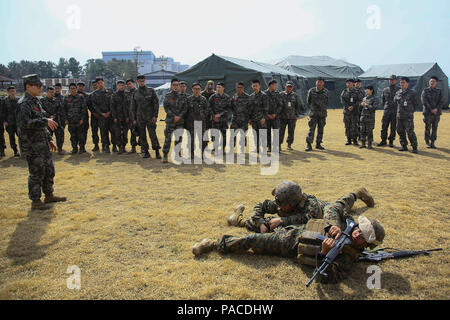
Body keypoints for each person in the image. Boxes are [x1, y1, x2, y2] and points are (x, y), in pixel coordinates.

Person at [193, 215, 385, 285]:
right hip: (299, 228)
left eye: (363, 236)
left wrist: (325, 253)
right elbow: (332, 211)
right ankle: (239, 220)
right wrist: (332, 226)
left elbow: (323, 278)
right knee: (266, 222)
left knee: (253, 240)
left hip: (289, 242)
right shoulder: (348, 226)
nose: (358, 234)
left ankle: (214, 244)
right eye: (360, 230)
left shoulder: (348, 258)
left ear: (367, 245)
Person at [227, 180, 375, 234]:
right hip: (297, 222)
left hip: (327, 213)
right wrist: (260, 223)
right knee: (267, 225)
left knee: (342, 203)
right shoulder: (282, 202)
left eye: (283, 205)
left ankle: (358, 193)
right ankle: (237, 219)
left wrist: (282, 221)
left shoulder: (311, 207)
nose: (279, 207)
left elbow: (306, 219)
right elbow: (260, 206)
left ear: (293, 203)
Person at [16, 74, 67, 210]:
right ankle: (36, 201)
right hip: (32, 146)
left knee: (49, 169)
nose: (41, 88)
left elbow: (41, 123)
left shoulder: (36, 101)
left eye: (41, 85)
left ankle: (49, 194)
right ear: (28, 86)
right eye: (37, 86)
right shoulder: (23, 103)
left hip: (42, 143)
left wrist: (49, 139)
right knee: (36, 172)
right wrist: (45, 121)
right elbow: (24, 124)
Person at [130, 75, 161, 159]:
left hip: (150, 117)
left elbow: (156, 104)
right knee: (142, 135)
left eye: (143, 80)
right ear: (137, 81)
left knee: (153, 135)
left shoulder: (151, 91)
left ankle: (157, 151)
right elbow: (133, 108)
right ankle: (146, 152)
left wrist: (155, 115)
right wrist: (134, 119)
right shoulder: (135, 93)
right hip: (140, 118)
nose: (141, 82)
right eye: (140, 80)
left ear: (145, 80)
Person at [162, 78, 188, 163]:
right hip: (170, 121)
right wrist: (173, 116)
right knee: (168, 139)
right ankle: (165, 155)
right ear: (171, 85)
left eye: (177, 85)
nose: (176, 87)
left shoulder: (183, 96)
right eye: (174, 85)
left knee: (179, 139)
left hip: (180, 122)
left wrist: (179, 116)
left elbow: (185, 108)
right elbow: (166, 108)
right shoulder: (168, 96)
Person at [394, 77, 419, 153]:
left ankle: (414, 147)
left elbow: (416, 104)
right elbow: (395, 102)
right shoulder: (398, 92)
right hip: (399, 116)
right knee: (400, 131)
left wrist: (410, 111)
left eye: (403, 82)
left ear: (408, 83)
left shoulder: (412, 93)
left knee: (410, 132)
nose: (402, 84)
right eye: (401, 83)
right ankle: (404, 146)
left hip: (408, 116)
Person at [185, 83, 209, 158]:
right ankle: (191, 153)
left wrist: (202, 116)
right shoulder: (188, 99)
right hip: (191, 123)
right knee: (191, 139)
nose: (197, 90)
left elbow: (207, 110)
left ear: (200, 90)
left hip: (201, 123)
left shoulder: (203, 99)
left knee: (203, 139)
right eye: (195, 89)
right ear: (192, 90)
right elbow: (186, 111)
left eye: (198, 89)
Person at [63, 83, 88, 155]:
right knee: (73, 136)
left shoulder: (81, 97)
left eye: (74, 88)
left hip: (79, 120)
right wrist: (65, 119)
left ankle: (82, 148)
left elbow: (84, 109)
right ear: (69, 89)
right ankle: (74, 148)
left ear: (76, 89)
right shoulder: (67, 98)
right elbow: (64, 109)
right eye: (71, 88)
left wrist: (82, 119)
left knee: (81, 135)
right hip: (71, 120)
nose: (73, 90)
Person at [90, 77, 113, 153]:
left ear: (104, 82)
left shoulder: (110, 92)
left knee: (113, 131)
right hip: (101, 116)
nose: (100, 84)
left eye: (101, 82)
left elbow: (113, 103)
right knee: (103, 132)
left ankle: (115, 146)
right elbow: (94, 106)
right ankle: (105, 146)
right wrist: (101, 113)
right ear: (97, 84)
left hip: (110, 115)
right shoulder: (94, 94)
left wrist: (109, 112)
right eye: (98, 83)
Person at [40, 86, 65, 155]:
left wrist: (54, 115)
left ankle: (59, 149)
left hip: (56, 121)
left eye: (52, 92)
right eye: (50, 92)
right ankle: (48, 150)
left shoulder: (57, 100)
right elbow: (41, 110)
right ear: (46, 92)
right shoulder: (42, 101)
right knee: (47, 136)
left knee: (60, 135)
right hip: (47, 121)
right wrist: (48, 116)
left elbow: (60, 109)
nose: (51, 93)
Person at [421, 76, 444, 149]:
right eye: (431, 81)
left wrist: (436, 109)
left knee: (435, 128)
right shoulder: (425, 91)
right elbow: (424, 101)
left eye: (433, 81)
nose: (431, 82)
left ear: (436, 82)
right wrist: (431, 109)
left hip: (436, 113)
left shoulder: (439, 91)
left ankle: (433, 142)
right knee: (427, 127)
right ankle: (427, 141)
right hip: (428, 112)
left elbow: (441, 101)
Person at [306, 77, 328, 151]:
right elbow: (308, 102)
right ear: (316, 82)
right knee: (311, 129)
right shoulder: (311, 91)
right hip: (313, 114)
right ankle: (309, 144)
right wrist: (313, 109)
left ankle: (318, 144)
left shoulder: (326, 91)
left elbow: (326, 102)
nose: (319, 83)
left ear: (323, 83)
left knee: (321, 129)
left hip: (322, 114)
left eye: (321, 82)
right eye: (318, 82)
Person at [208, 82, 232, 153]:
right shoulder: (213, 97)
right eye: (217, 87)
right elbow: (209, 107)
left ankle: (223, 149)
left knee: (224, 135)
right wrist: (213, 115)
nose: (218, 89)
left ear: (223, 88)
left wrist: (220, 114)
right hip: (215, 120)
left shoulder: (227, 97)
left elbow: (228, 109)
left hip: (223, 120)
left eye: (219, 87)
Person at [279, 81, 303, 151]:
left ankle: (289, 145)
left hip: (292, 117)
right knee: (281, 131)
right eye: (288, 86)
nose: (289, 88)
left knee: (291, 132)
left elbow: (297, 106)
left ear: (292, 87)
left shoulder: (295, 95)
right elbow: (278, 105)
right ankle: (279, 145)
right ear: (285, 87)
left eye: (290, 87)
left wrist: (296, 115)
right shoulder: (281, 94)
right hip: (282, 117)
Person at [378, 75, 400, 147]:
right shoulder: (385, 90)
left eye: (393, 80)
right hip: (387, 111)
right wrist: (385, 107)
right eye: (390, 80)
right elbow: (383, 100)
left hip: (395, 111)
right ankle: (383, 140)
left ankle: (391, 141)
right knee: (384, 126)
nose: (391, 81)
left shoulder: (399, 90)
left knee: (393, 127)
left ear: (396, 81)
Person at [249, 79, 269, 153]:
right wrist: (250, 119)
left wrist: (264, 118)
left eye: (256, 86)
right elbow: (250, 109)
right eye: (253, 86)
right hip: (254, 120)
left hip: (261, 119)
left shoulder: (264, 96)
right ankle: (257, 148)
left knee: (263, 134)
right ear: (252, 86)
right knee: (255, 135)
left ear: (259, 86)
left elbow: (266, 108)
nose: (255, 87)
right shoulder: (251, 96)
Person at [111, 80, 131, 155]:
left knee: (125, 133)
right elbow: (112, 107)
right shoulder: (114, 95)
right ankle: (119, 147)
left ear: (125, 86)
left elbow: (130, 107)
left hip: (126, 118)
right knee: (118, 133)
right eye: (119, 85)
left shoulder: (128, 95)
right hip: (117, 117)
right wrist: (114, 117)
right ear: (117, 86)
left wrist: (128, 116)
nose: (121, 87)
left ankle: (124, 146)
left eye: (122, 85)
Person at [230, 82, 251, 152]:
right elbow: (231, 107)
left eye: (241, 87)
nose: (239, 89)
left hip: (244, 120)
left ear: (243, 88)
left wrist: (249, 119)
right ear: (236, 88)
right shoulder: (234, 97)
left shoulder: (247, 97)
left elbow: (250, 108)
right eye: (238, 87)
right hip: (235, 119)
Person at [264, 80, 283, 152]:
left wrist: (275, 113)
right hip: (267, 117)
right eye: (275, 85)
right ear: (271, 85)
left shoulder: (277, 94)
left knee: (276, 132)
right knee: (267, 132)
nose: (276, 86)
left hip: (276, 117)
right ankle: (269, 147)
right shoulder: (264, 94)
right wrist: (267, 114)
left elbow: (280, 105)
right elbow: (262, 106)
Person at [341, 79, 360, 146]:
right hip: (347, 112)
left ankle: (355, 140)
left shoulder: (357, 91)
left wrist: (353, 106)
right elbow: (342, 101)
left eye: (350, 83)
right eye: (347, 83)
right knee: (347, 126)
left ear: (353, 84)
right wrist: (348, 107)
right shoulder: (344, 91)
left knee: (354, 126)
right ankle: (348, 140)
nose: (348, 84)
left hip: (354, 112)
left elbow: (359, 101)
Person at [2, 86, 21, 157]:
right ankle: (15, 151)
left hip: (18, 122)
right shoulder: (5, 101)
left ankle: (23, 149)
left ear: (15, 91)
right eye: (10, 91)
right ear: (8, 92)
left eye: (13, 91)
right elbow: (3, 111)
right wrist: (4, 121)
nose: (12, 93)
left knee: (21, 136)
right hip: (9, 123)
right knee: (11, 137)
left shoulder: (19, 100)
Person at [125, 79, 139, 154]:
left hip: (139, 116)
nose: (129, 85)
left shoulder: (138, 92)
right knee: (132, 132)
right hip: (130, 117)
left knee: (141, 132)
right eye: (128, 84)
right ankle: (133, 148)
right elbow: (126, 107)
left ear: (134, 83)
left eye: (130, 84)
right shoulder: (127, 94)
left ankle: (143, 147)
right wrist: (127, 116)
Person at [88, 79, 101, 152]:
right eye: (93, 85)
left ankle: (106, 145)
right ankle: (96, 145)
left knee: (104, 131)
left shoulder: (104, 93)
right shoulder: (91, 95)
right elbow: (89, 105)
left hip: (102, 116)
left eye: (96, 84)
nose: (95, 86)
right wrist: (93, 112)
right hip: (94, 116)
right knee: (94, 131)